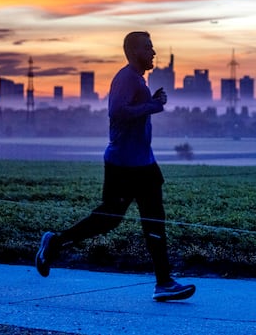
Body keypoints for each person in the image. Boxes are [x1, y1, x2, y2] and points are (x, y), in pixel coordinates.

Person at [36, 31, 195, 302]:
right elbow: (117, 112)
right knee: (108, 219)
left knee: (154, 221)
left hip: (145, 164)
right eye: (148, 48)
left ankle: (164, 282)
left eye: (153, 47)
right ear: (134, 52)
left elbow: (134, 109)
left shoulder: (137, 80)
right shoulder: (125, 78)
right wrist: (153, 106)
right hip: (123, 165)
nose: (154, 52)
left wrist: (150, 102)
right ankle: (54, 243)